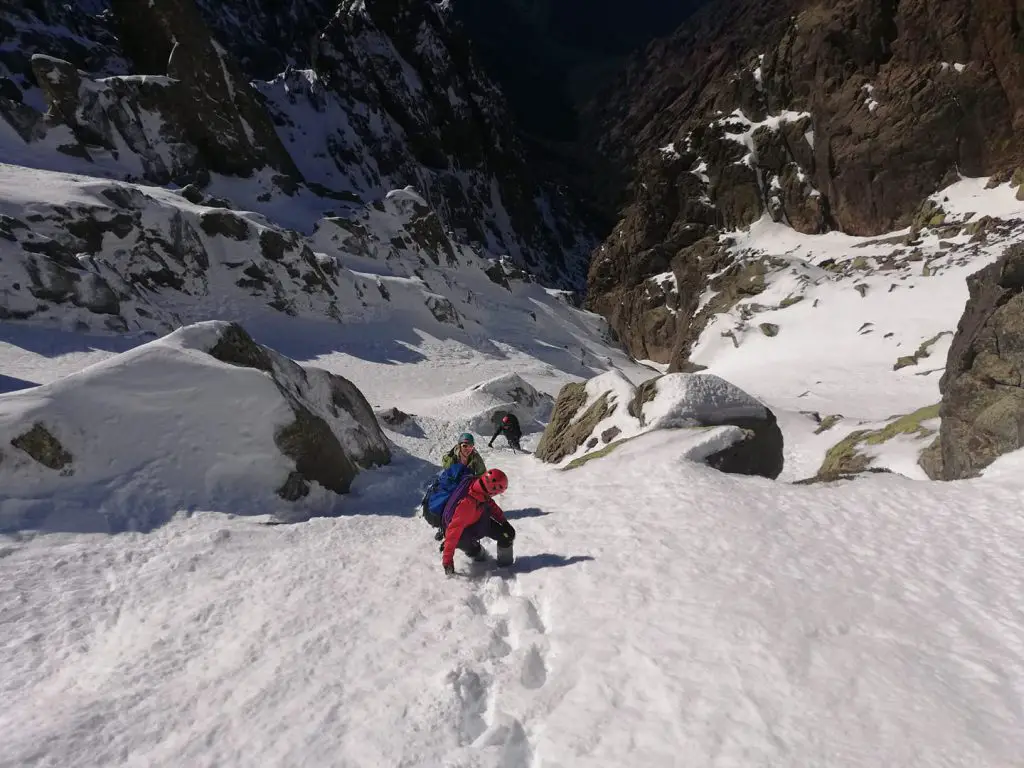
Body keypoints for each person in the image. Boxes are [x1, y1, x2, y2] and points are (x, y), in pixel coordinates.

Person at [441, 468, 515, 575]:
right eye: (498, 491)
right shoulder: (466, 504)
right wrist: (447, 561)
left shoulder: (482, 488)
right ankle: (480, 555)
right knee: (473, 550)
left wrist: (504, 522)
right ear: (493, 488)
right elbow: (453, 533)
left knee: (507, 535)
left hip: (480, 522)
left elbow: (491, 505)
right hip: (464, 533)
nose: (497, 494)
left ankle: (507, 567)